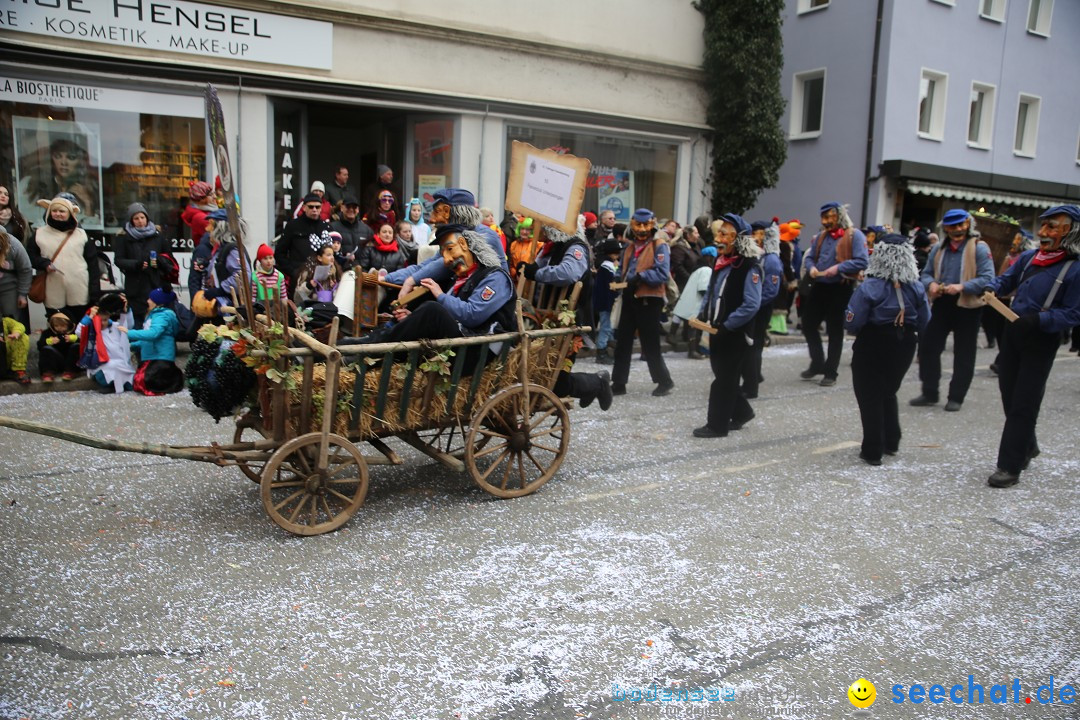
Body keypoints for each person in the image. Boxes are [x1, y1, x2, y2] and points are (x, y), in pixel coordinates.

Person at [984, 205, 1080, 488]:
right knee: (1009, 395)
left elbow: (1075, 313)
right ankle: (1027, 443)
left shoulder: (1075, 268)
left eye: (1053, 227)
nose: (1043, 232)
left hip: (1041, 338)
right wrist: (992, 287)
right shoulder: (1028, 257)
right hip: (1013, 331)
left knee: (1024, 401)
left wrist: (1040, 320)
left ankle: (1009, 466)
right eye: (1043, 226)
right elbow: (1006, 280)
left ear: (1071, 231)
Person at [342, 223, 515, 347]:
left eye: (449, 249)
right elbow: (452, 315)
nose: (446, 260)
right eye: (442, 254)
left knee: (433, 309)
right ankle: (370, 345)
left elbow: (472, 314)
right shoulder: (463, 277)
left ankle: (370, 348)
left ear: (464, 245)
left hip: (480, 348)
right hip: (460, 342)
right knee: (423, 311)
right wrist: (413, 318)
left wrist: (440, 295)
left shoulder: (496, 278)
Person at [844, 233, 931, 466]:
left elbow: (852, 321)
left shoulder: (870, 287)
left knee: (869, 394)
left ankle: (873, 449)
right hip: (904, 343)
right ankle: (892, 440)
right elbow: (925, 321)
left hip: (874, 341)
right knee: (888, 391)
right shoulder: (916, 287)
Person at [518, 220, 613, 411]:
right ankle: (588, 389)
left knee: (557, 383)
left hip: (568, 323)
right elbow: (536, 271)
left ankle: (597, 383)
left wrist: (536, 273)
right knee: (538, 376)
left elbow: (569, 273)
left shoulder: (575, 247)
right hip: (544, 320)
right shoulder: (550, 248)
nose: (542, 229)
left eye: (545, 226)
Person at [909, 209, 994, 412]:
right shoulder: (938, 248)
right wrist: (930, 285)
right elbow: (926, 274)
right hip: (942, 302)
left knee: (964, 352)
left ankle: (956, 396)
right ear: (945, 228)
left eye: (960, 225)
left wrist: (962, 286)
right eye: (951, 226)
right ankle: (930, 392)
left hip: (968, 305)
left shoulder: (979, 248)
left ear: (967, 225)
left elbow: (988, 278)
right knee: (928, 347)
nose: (956, 230)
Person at [693, 214, 761, 438]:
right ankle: (743, 413)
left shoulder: (749, 267)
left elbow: (751, 304)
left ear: (738, 239)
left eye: (724, 234)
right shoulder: (720, 262)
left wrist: (728, 325)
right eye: (719, 232)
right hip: (717, 329)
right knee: (724, 374)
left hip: (734, 333)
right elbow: (712, 293)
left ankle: (717, 425)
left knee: (723, 380)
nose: (718, 238)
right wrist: (704, 314)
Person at [386, 188, 508, 301]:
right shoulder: (453, 237)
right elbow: (425, 266)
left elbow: (442, 265)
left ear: (450, 213)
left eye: (437, 212)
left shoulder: (483, 236)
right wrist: (386, 278)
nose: (432, 219)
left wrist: (411, 281)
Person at [800, 202, 869, 386]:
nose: (826, 221)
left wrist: (839, 268)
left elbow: (862, 260)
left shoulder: (854, 235)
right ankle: (817, 363)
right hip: (820, 285)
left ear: (839, 216)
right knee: (807, 324)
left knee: (834, 330)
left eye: (830, 217)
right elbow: (809, 257)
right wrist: (811, 267)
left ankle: (830, 372)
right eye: (824, 217)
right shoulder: (821, 236)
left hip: (841, 286)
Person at [610, 208, 675, 397]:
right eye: (638, 224)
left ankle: (664, 381)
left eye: (646, 224)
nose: (642, 228)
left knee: (650, 343)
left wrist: (640, 277)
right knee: (623, 341)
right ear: (632, 224)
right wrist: (616, 279)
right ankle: (619, 382)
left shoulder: (659, 245)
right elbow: (623, 269)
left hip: (649, 299)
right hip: (630, 297)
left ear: (652, 224)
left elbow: (662, 273)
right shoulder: (629, 246)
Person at [26, 195, 99, 322]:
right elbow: (30, 256)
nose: (58, 214)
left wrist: (94, 292)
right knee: (57, 326)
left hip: (79, 290)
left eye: (62, 211)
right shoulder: (39, 234)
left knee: (79, 328)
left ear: (70, 213)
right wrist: (44, 263)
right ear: (49, 212)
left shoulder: (82, 235)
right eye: (54, 211)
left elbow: (93, 264)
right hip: (53, 289)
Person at [741, 220, 783, 399]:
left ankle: (751, 385)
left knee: (754, 345)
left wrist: (755, 304)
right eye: (755, 233)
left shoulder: (771, 259)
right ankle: (755, 376)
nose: (757, 237)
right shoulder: (759, 256)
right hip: (754, 306)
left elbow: (771, 290)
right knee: (751, 345)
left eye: (761, 234)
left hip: (761, 308)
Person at [112, 202, 171, 327]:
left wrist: (159, 262)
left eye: (142, 217)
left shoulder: (157, 236)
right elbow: (119, 260)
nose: (140, 221)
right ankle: (139, 346)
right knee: (138, 322)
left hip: (155, 284)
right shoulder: (124, 237)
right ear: (131, 220)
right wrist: (136, 264)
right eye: (136, 218)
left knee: (156, 321)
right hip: (135, 287)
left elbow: (169, 260)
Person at [121, 287, 184, 395]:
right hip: (152, 356)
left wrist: (129, 333)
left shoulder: (162, 316)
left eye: (150, 299)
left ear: (158, 303)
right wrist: (132, 345)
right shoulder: (155, 315)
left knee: (143, 381)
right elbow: (148, 340)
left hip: (160, 357)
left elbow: (153, 334)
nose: (147, 301)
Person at [276, 192, 333, 296]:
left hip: (322, 280)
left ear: (321, 208)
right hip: (300, 279)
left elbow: (333, 252)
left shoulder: (326, 227)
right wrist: (294, 272)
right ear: (304, 207)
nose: (314, 209)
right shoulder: (293, 226)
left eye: (317, 207)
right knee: (300, 310)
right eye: (311, 207)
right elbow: (279, 253)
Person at [79, 293, 136, 393]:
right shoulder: (91, 330)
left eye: (105, 320)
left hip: (121, 364)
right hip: (101, 365)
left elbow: (128, 326)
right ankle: (108, 384)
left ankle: (120, 384)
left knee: (128, 378)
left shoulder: (115, 326)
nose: (102, 323)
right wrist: (90, 316)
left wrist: (126, 311)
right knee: (107, 374)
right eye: (99, 320)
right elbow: (79, 331)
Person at [672, 245, 717, 360]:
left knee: (691, 328)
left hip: (689, 304)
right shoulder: (706, 270)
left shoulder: (698, 269)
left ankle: (694, 350)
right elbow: (703, 289)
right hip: (696, 305)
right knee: (695, 330)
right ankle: (693, 351)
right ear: (711, 258)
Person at [592, 238, 622, 365]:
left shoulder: (605, 265)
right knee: (605, 326)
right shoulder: (608, 266)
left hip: (604, 301)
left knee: (608, 326)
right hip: (607, 302)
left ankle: (609, 348)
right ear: (614, 253)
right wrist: (625, 285)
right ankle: (601, 352)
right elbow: (611, 286)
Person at [37, 311, 80, 382]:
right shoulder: (47, 333)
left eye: (63, 326)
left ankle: (71, 371)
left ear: (69, 325)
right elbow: (39, 346)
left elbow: (85, 343)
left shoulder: (76, 332)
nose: (59, 328)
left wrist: (75, 339)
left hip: (72, 361)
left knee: (76, 346)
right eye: (56, 326)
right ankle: (48, 373)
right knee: (46, 349)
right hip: (56, 361)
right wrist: (48, 341)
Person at [331, 195, 371, 270]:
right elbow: (327, 252)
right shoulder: (332, 228)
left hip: (362, 272)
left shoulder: (367, 230)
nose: (351, 209)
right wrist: (344, 257)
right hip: (339, 272)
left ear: (358, 210)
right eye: (348, 207)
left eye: (354, 207)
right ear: (342, 208)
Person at [0, 228, 32, 322]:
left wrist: (22, 294)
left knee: (11, 320)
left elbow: (25, 269)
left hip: (9, 288)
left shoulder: (13, 244)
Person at [181, 181, 216, 246]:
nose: (215, 197)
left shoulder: (206, 212)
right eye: (211, 194)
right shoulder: (199, 217)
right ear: (201, 199)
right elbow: (218, 235)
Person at [1, 315, 31, 385]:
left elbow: (18, 325)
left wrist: (16, 333)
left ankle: (19, 371)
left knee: (22, 337)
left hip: (6, 357)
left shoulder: (5, 321)